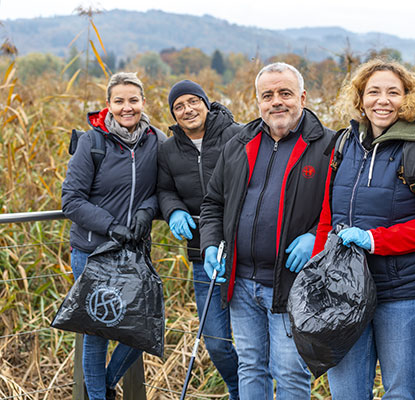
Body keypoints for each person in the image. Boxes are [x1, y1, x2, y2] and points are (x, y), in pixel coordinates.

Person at [312, 59, 415, 399]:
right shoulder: (345, 145)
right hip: (345, 292)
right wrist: (319, 270)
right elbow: (326, 217)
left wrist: (374, 240)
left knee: (400, 392)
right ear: (360, 99)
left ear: (408, 98)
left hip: (404, 292)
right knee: (347, 393)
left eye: (393, 92)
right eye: (373, 92)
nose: (383, 100)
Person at [199, 62, 334, 399]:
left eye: (285, 93)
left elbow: (346, 210)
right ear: (258, 101)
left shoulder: (329, 146)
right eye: (268, 95)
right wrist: (211, 245)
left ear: (302, 97)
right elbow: (213, 204)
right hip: (240, 282)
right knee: (250, 364)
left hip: (293, 284)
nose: (277, 102)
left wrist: (316, 237)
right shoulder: (238, 144)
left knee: (289, 372)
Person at [62, 72, 166, 400]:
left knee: (143, 324)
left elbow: (163, 189)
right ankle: (97, 396)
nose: (126, 107)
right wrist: (110, 225)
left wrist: (146, 210)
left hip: (134, 251)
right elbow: (71, 200)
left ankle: (105, 385)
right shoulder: (92, 142)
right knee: (97, 332)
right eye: (119, 101)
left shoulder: (156, 140)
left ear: (143, 103)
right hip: (94, 252)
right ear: (108, 105)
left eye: (133, 100)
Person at [157, 80, 241, 399]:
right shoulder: (168, 148)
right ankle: (238, 388)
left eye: (193, 101)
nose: (188, 109)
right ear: (173, 115)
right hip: (201, 256)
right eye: (179, 106)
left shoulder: (237, 134)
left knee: (251, 341)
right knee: (216, 340)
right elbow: (164, 190)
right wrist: (174, 211)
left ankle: (252, 390)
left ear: (206, 103)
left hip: (242, 253)